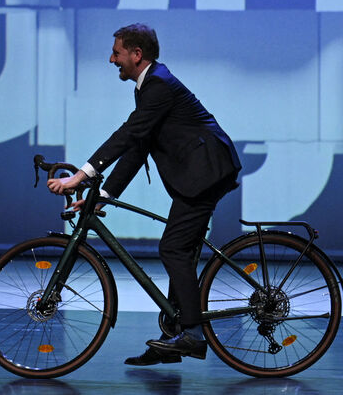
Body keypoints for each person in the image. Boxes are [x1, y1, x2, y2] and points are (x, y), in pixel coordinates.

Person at [47, 23, 241, 366]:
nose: (111, 59)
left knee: (173, 248)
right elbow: (138, 147)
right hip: (199, 173)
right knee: (180, 249)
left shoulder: (159, 86)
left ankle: (193, 336)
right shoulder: (149, 86)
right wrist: (102, 193)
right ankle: (172, 337)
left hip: (206, 173)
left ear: (137, 55)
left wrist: (81, 175)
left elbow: (127, 134)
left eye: (117, 52)